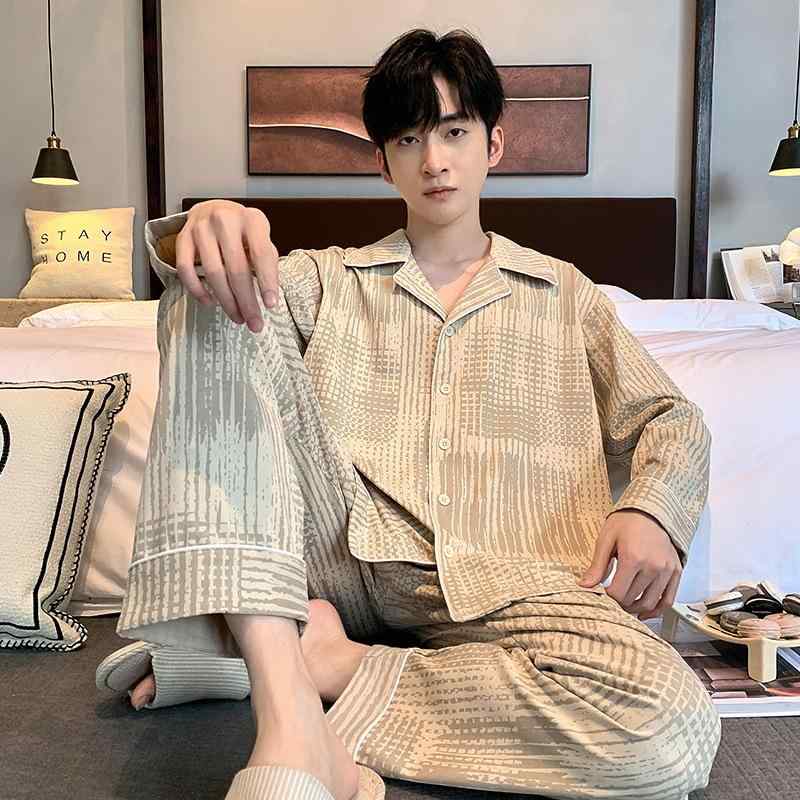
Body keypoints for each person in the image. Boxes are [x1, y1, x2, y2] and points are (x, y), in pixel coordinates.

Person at [97, 27, 721, 800]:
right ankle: (288, 717)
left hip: (512, 576)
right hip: (340, 552)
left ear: (494, 144)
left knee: (669, 724)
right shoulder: (327, 280)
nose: (434, 161)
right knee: (214, 295)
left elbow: (669, 417)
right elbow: (224, 314)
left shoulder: (567, 295)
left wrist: (652, 508)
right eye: (408, 138)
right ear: (382, 161)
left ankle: (320, 662)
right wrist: (210, 225)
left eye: (454, 132)